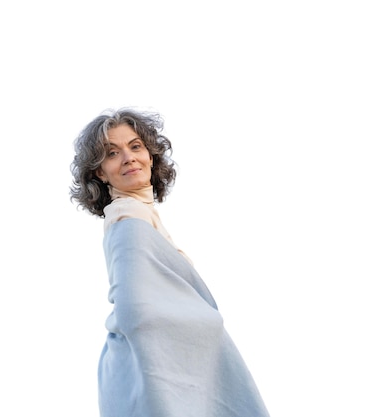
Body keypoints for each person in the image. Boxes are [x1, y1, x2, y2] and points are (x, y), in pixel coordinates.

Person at [70, 108, 270, 417]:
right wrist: (208, 322)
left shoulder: (141, 213)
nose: (128, 157)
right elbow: (134, 310)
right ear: (100, 172)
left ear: (151, 156)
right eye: (112, 153)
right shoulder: (128, 217)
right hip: (152, 370)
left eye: (135, 146)